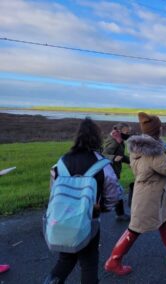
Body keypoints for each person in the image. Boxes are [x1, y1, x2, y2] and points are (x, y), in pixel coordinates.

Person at [104, 112, 166, 276]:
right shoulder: (153, 152)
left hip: (152, 194)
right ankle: (113, 261)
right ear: (157, 130)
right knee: (134, 229)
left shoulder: (139, 148)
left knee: (164, 219)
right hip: (148, 198)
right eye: (160, 126)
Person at [44, 118, 121, 284]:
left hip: (62, 219)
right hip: (89, 219)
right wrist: (104, 207)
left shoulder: (62, 161)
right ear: (97, 138)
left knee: (65, 260)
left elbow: (54, 191)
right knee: (88, 263)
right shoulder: (102, 164)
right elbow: (113, 193)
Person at [102, 122, 131, 221]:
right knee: (118, 192)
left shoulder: (119, 140)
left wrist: (132, 161)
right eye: (126, 132)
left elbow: (121, 155)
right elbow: (103, 154)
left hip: (113, 170)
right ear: (119, 131)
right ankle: (120, 214)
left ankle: (119, 213)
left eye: (129, 132)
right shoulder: (114, 142)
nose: (128, 134)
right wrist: (113, 157)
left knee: (115, 191)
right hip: (109, 171)